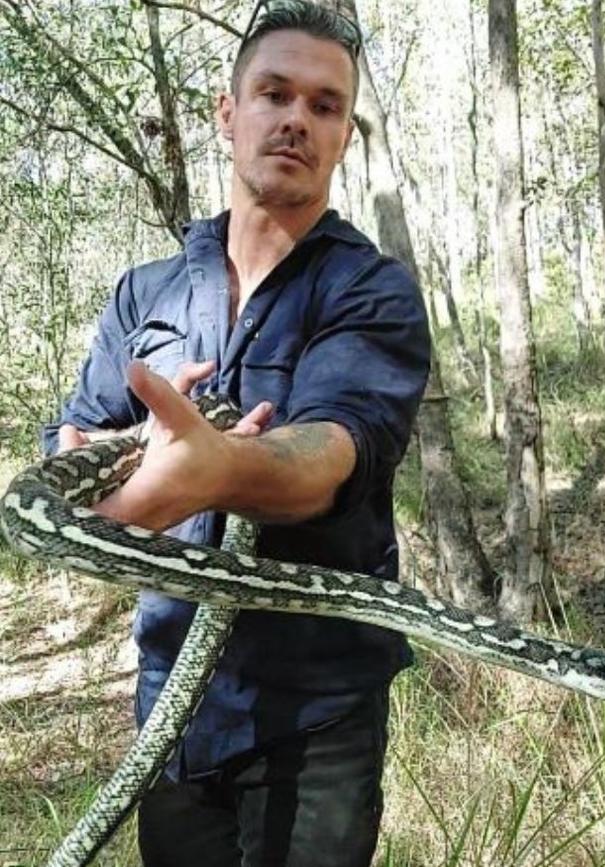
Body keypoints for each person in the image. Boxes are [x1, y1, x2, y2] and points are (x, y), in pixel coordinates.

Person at [43, 2, 431, 864]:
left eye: (325, 106)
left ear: (343, 138)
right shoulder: (144, 294)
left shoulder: (370, 292)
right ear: (229, 112)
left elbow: (334, 449)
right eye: (275, 93)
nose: (297, 118)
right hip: (172, 703)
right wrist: (93, 458)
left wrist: (222, 466)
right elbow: (73, 442)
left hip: (319, 714)